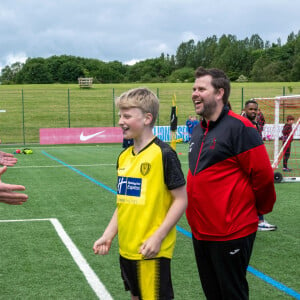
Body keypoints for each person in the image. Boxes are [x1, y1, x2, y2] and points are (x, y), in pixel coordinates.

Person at [186, 67, 276, 300]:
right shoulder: (197, 130)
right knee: (213, 294)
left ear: (219, 93)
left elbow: (264, 177)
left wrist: (254, 212)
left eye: (201, 89)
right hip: (201, 232)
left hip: (231, 232)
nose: (194, 93)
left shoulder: (241, 128)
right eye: (194, 89)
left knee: (232, 295)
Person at [93, 88, 187, 300]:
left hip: (151, 250)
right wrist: (108, 235)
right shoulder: (124, 156)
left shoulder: (164, 154)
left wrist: (158, 237)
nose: (120, 121)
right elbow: (124, 203)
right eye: (119, 115)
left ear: (147, 118)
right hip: (127, 249)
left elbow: (181, 199)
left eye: (126, 115)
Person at [244, 100, 277, 231]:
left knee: (255, 191)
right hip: (248, 163)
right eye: (250, 109)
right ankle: (259, 220)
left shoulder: (255, 123)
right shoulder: (243, 124)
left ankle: (257, 220)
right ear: (245, 110)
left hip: (254, 162)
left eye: (255, 109)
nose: (253, 111)